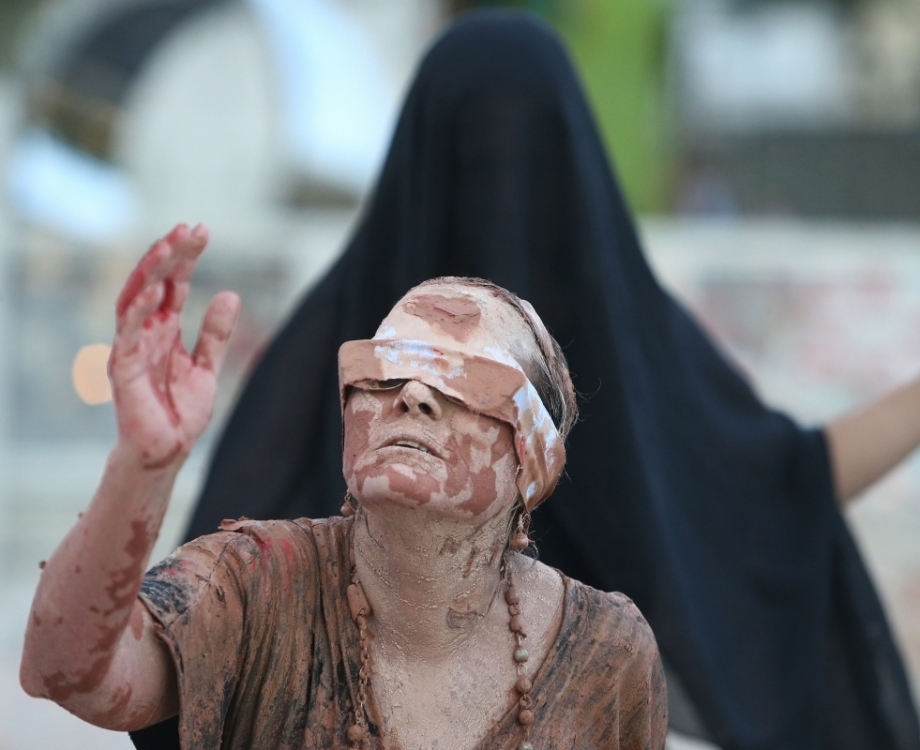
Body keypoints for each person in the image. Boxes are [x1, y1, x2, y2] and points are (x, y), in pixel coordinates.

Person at [163, 11, 918, 750]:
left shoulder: (628, 343)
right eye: (473, 159)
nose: (502, 197)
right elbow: (197, 633)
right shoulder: (343, 358)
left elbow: (776, 492)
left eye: (531, 160)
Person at [19, 223, 668, 749]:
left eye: (464, 381)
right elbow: (64, 673)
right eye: (382, 372)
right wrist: (143, 465)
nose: (412, 394)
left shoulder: (608, 655)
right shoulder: (252, 586)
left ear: (537, 459)